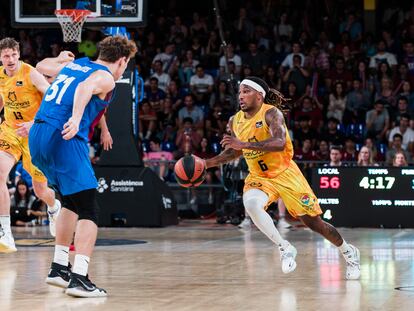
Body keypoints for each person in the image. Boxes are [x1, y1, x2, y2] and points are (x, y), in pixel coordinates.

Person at [204, 77, 360, 279]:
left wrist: (244, 145)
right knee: (251, 203)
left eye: (246, 91)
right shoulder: (235, 120)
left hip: (286, 174)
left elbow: (278, 142)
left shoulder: (271, 113)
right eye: (240, 92)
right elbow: (234, 152)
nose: (240, 96)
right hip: (259, 176)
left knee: (314, 223)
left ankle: (348, 252)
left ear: (259, 96)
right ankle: (284, 247)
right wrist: (206, 164)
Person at [31, 35, 137, 297]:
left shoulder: (76, 64)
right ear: (122, 60)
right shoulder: (106, 76)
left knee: (70, 202)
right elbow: (84, 89)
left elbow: (41, 67)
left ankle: (58, 268)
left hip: (37, 135)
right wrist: (77, 119)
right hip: (64, 136)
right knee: (89, 208)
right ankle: (80, 277)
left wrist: (59, 59)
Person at [0, 37, 61, 253]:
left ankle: (54, 207)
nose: (11, 59)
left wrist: (34, 122)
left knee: (40, 190)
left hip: (34, 133)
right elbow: (3, 99)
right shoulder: (0, 76)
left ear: (19, 54)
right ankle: (5, 232)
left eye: (14, 54)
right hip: (10, 131)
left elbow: (52, 99)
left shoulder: (31, 73)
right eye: (6, 55)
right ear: (1, 58)